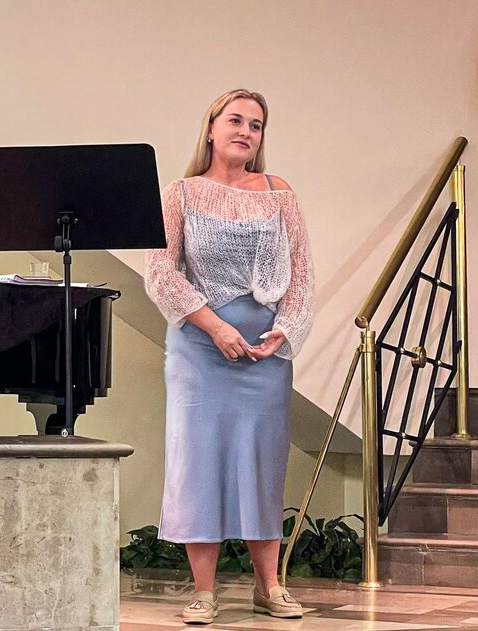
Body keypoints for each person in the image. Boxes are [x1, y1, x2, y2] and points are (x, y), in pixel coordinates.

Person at [144, 88, 313, 624]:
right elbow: (160, 273)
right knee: (199, 461)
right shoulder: (180, 194)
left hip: (263, 354)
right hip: (199, 349)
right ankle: (203, 591)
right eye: (236, 120)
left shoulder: (280, 193)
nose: (245, 131)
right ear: (212, 127)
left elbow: (301, 275)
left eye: (256, 125)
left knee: (262, 462)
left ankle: (269, 586)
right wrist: (215, 326)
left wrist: (284, 331)